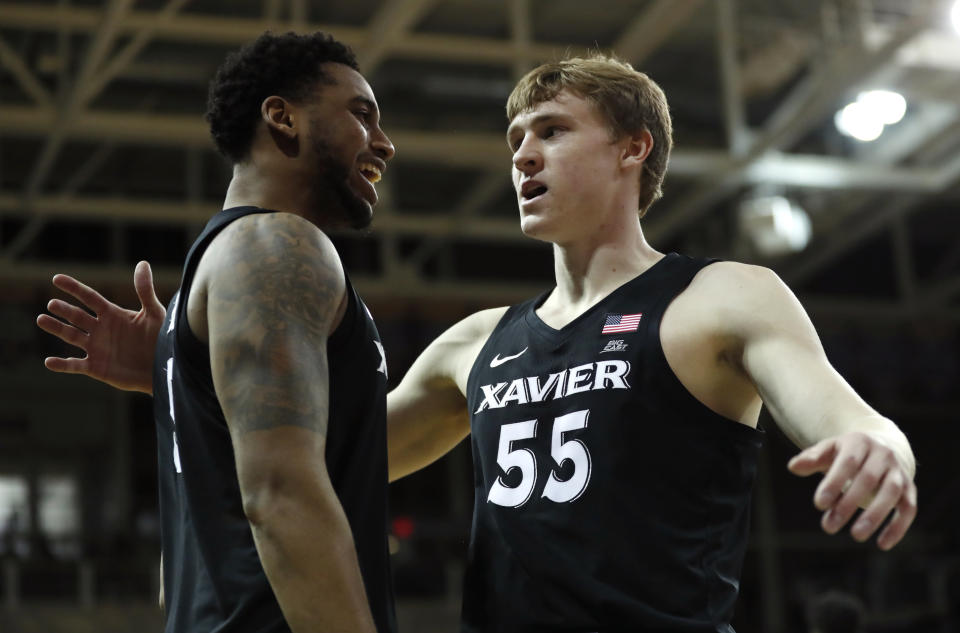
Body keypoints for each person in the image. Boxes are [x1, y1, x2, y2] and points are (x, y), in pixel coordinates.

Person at [39, 54, 916, 632]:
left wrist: (881, 445)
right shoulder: (476, 343)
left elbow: (843, 411)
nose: (523, 156)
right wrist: (186, 366)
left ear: (632, 149)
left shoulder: (715, 294)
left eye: (552, 131)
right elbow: (330, 450)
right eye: (514, 140)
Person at [38, 31, 396, 633]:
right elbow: (281, 499)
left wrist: (179, 380)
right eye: (362, 115)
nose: (384, 143)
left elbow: (195, 551)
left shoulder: (220, 275)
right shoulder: (277, 247)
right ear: (282, 118)